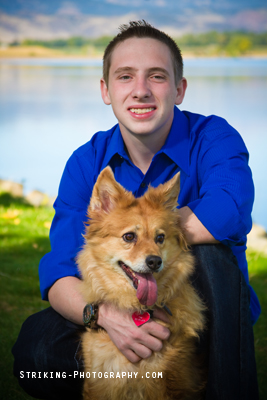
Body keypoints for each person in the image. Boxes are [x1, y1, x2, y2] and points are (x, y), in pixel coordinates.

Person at [12, 20, 260, 400]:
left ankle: (227, 389)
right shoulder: (86, 162)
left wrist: (144, 230)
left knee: (211, 254)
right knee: (35, 349)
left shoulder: (214, 137)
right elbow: (61, 271)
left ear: (179, 89)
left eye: (157, 77)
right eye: (125, 76)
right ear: (106, 90)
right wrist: (109, 319)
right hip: (113, 305)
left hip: (204, 315)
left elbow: (229, 209)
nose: (141, 90)